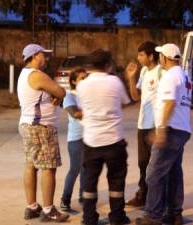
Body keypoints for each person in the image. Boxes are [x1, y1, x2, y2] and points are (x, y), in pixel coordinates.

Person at [136, 43, 192, 225]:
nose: (159, 57)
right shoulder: (184, 75)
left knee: (153, 174)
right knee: (174, 172)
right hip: (182, 129)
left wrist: (161, 130)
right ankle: (175, 214)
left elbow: (169, 103)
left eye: (160, 54)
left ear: (165, 58)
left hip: (171, 130)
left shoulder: (170, 76)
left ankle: (153, 216)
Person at [76, 49, 131, 225]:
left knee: (89, 182)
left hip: (91, 141)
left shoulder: (82, 85)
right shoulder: (115, 82)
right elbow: (124, 103)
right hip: (114, 140)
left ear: (91, 65)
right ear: (108, 65)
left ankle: (89, 218)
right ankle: (117, 217)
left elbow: (82, 109)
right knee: (116, 181)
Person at [17, 43, 69, 222]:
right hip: (41, 127)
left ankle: (32, 207)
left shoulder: (24, 75)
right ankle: (48, 210)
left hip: (28, 124)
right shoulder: (37, 75)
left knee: (31, 164)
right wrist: (56, 94)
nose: (46, 58)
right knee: (48, 168)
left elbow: (53, 94)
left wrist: (53, 95)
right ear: (35, 55)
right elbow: (61, 91)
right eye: (43, 55)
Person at [124, 41, 164, 207]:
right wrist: (131, 78)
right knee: (143, 163)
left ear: (150, 55)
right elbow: (135, 97)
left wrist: (162, 127)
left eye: (141, 55)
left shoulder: (162, 71)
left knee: (157, 165)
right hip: (143, 125)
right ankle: (143, 195)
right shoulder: (145, 71)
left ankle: (159, 200)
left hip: (156, 125)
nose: (138, 58)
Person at [60, 67, 87, 211]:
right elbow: (75, 113)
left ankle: (84, 196)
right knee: (75, 169)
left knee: (86, 169)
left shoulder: (89, 95)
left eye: (86, 78)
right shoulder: (70, 96)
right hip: (76, 139)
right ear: (74, 81)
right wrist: (95, 110)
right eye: (82, 78)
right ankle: (65, 200)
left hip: (89, 137)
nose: (85, 81)